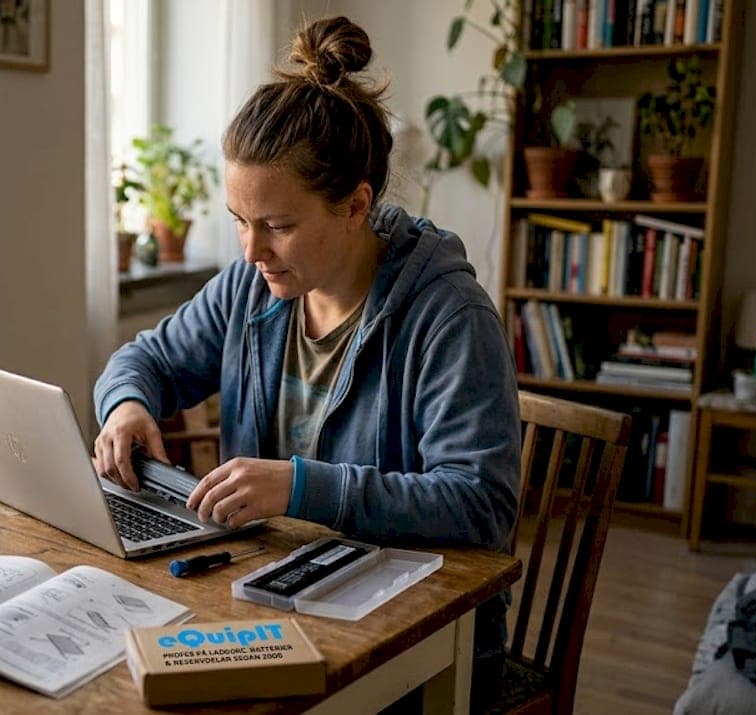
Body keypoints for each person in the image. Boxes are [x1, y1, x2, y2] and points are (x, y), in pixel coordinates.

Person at [91, 15, 520, 709]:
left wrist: (302, 486)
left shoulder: (449, 318)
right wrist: (127, 404)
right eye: (238, 219)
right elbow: (147, 357)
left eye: (279, 225)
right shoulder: (252, 286)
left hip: (413, 647)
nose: (250, 250)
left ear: (356, 205)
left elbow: (480, 504)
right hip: (267, 607)